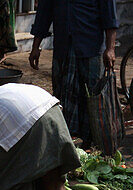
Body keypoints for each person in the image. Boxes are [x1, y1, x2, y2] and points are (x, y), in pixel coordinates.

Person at [29, 0, 118, 146]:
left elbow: (110, 17)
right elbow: (44, 14)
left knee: (92, 97)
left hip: (90, 47)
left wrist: (110, 48)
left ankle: (94, 142)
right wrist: (35, 47)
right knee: (62, 96)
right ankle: (65, 142)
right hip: (63, 48)